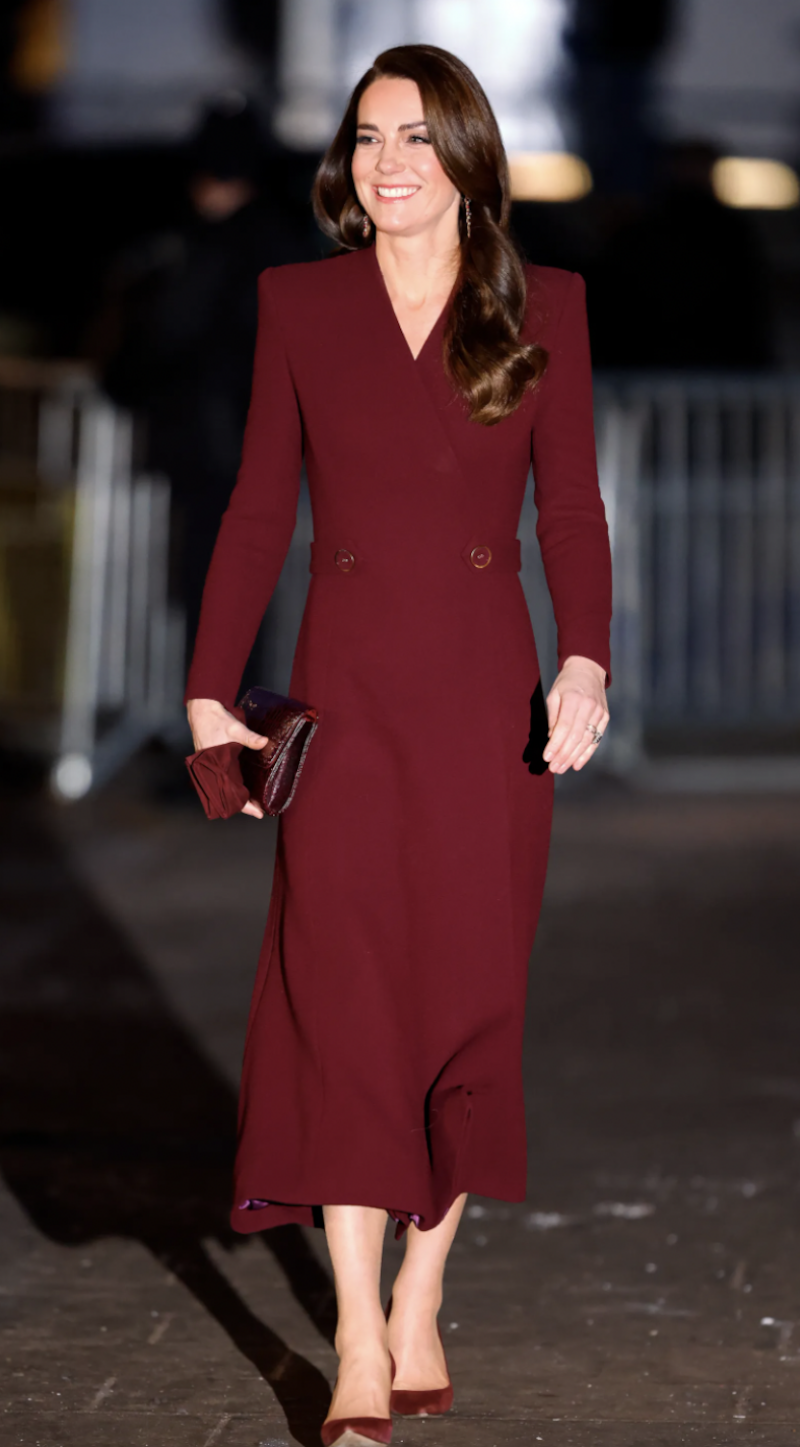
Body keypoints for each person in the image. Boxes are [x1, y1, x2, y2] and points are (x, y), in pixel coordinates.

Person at [185, 44, 612, 1447]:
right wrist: (209, 691)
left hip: (487, 710)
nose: (390, 162)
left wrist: (586, 658)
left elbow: (570, 511)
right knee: (346, 1007)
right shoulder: (299, 303)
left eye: (420, 137)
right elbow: (259, 505)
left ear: (469, 156)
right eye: (369, 137)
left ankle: (424, 1291)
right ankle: (360, 1336)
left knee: (467, 1005)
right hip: (349, 702)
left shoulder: (545, 304)